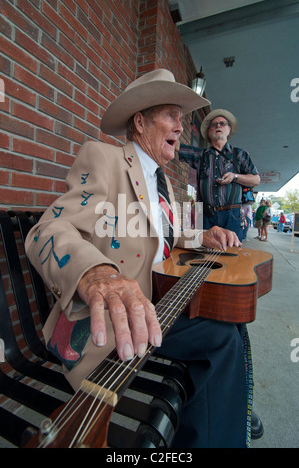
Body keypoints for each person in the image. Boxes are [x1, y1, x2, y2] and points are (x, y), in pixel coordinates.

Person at [25, 69, 256, 448]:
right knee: (223, 340)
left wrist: (204, 234)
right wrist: (96, 272)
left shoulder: (162, 180)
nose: (181, 128)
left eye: (182, 119)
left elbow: (167, 230)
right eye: (171, 115)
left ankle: (222, 415)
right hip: (113, 324)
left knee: (228, 322)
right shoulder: (104, 158)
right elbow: (48, 230)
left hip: (155, 306)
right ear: (140, 121)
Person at [178, 109, 260, 242]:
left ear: (229, 129)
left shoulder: (239, 154)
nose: (218, 126)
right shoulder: (201, 155)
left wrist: (235, 177)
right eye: (214, 124)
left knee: (231, 255)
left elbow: (256, 179)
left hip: (232, 215)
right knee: (202, 253)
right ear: (209, 132)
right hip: (204, 214)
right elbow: (176, 147)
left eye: (222, 123)